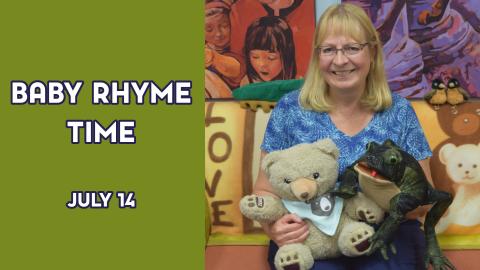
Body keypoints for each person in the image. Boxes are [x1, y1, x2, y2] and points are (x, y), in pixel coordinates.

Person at [254, 3, 434, 270]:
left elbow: (426, 198)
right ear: (317, 56)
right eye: (328, 50)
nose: (340, 60)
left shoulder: (399, 111)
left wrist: (385, 199)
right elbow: (263, 190)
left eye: (352, 48)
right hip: (311, 238)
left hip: (387, 236)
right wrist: (274, 228)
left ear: (372, 52)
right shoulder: (291, 109)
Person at [205, 0, 245, 98]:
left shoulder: (239, 46)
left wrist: (213, 58)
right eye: (209, 30)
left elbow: (237, 69)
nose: (218, 34)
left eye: (224, 26)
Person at [241, 16, 297, 85]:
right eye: (255, 57)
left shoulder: (297, 85)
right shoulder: (247, 84)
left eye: (271, 58)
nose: (262, 64)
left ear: (287, 56)